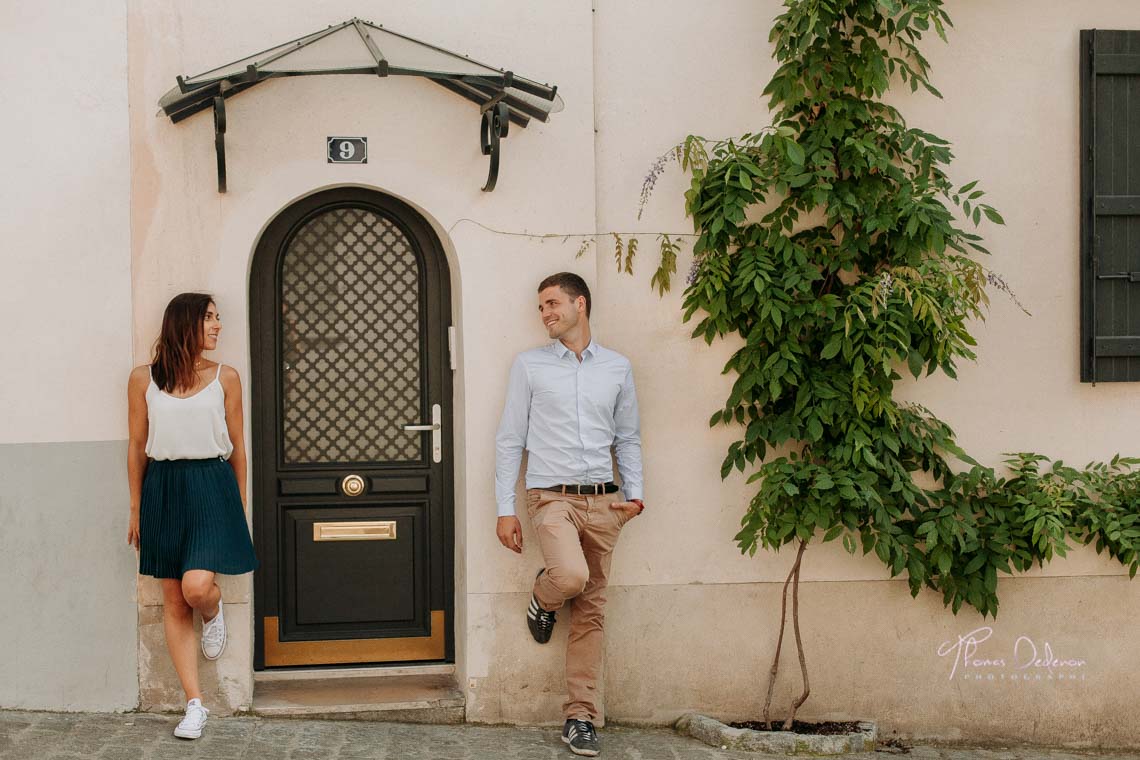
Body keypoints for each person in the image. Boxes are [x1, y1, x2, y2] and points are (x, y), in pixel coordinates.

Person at [495, 272, 645, 758]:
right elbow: (509, 439)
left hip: (605, 501)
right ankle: (545, 593)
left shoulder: (618, 367)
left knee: (592, 612)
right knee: (571, 577)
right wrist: (505, 509)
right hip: (551, 497)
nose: (546, 314)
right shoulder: (530, 366)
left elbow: (628, 437)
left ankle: (580, 716)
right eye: (541, 307)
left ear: (581, 304)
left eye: (553, 303)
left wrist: (635, 497)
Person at [126, 292, 258, 740]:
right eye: (210, 319)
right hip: (162, 488)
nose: (219, 327)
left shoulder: (227, 377)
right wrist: (135, 506)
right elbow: (136, 446)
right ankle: (194, 704)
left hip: (211, 484)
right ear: (186, 324)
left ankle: (214, 608)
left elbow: (239, 448)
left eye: (218, 319)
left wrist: (236, 506)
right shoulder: (143, 379)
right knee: (173, 598)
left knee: (197, 587)